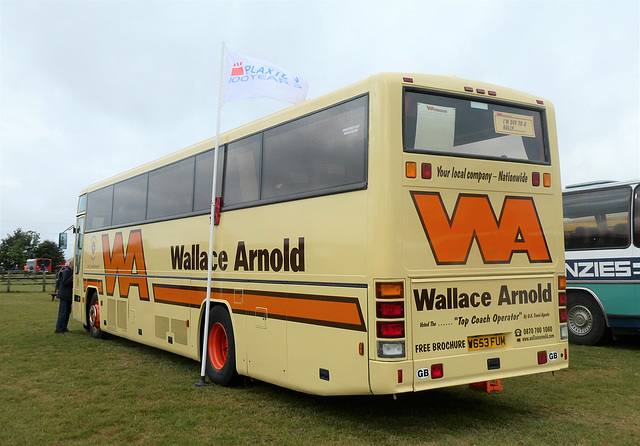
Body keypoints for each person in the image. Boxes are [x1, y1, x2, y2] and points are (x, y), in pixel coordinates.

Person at [54, 260, 74, 333]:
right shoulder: (66, 271)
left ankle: (64, 327)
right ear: (70, 264)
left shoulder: (69, 271)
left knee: (67, 312)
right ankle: (59, 328)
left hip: (68, 295)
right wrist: (73, 277)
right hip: (65, 295)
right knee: (63, 312)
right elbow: (65, 282)